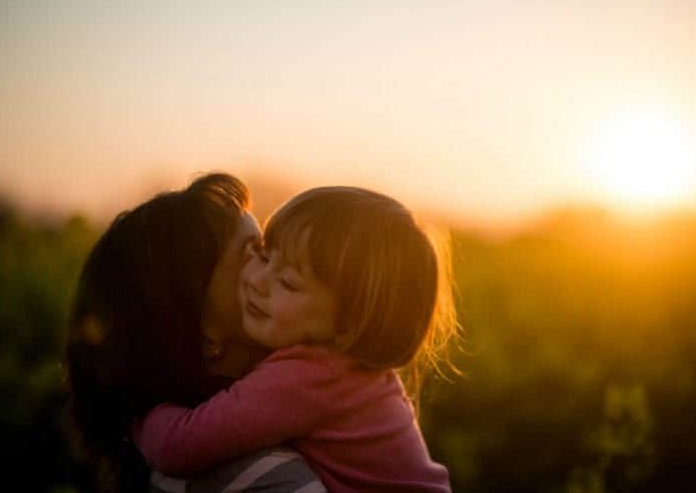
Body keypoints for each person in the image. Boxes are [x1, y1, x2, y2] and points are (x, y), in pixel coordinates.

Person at [134, 186, 459, 492]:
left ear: (347, 325)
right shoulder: (340, 367)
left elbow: (177, 447)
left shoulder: (308, 376)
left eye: (288, 282)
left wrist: (133, 406)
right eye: (263, 254)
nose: (257, 281)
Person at [64, 173, 325, 492]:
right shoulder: (265, 476)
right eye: (252, 254)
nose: (280, 270)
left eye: (267, 250)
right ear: (203, 336)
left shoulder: (163, 456)